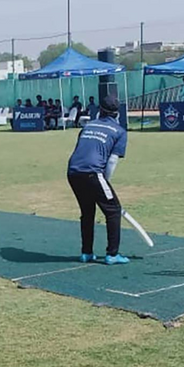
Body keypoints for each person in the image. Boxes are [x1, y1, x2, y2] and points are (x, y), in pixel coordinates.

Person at [67, 96, 129, 265]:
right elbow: (112, 161)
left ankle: (86, 252)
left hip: (73, 171)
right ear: (117, 114)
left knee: (87, 212)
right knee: (114, 210)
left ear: (100, 110)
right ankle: (112, 254)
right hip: (92, 172)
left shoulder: (88, 126)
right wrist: (104, 181)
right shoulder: (120, 131)